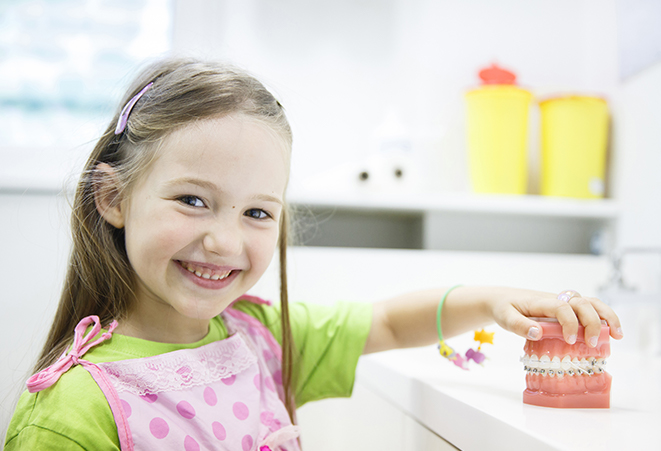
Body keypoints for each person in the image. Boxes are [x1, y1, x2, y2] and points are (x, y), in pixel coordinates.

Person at [4, 57, 623, 451]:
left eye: (256, 213)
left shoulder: (261, 338)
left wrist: (494, 300)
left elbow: (385, 321)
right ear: (113, 198)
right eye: (193, 200)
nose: (224, 240)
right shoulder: (72, 411)